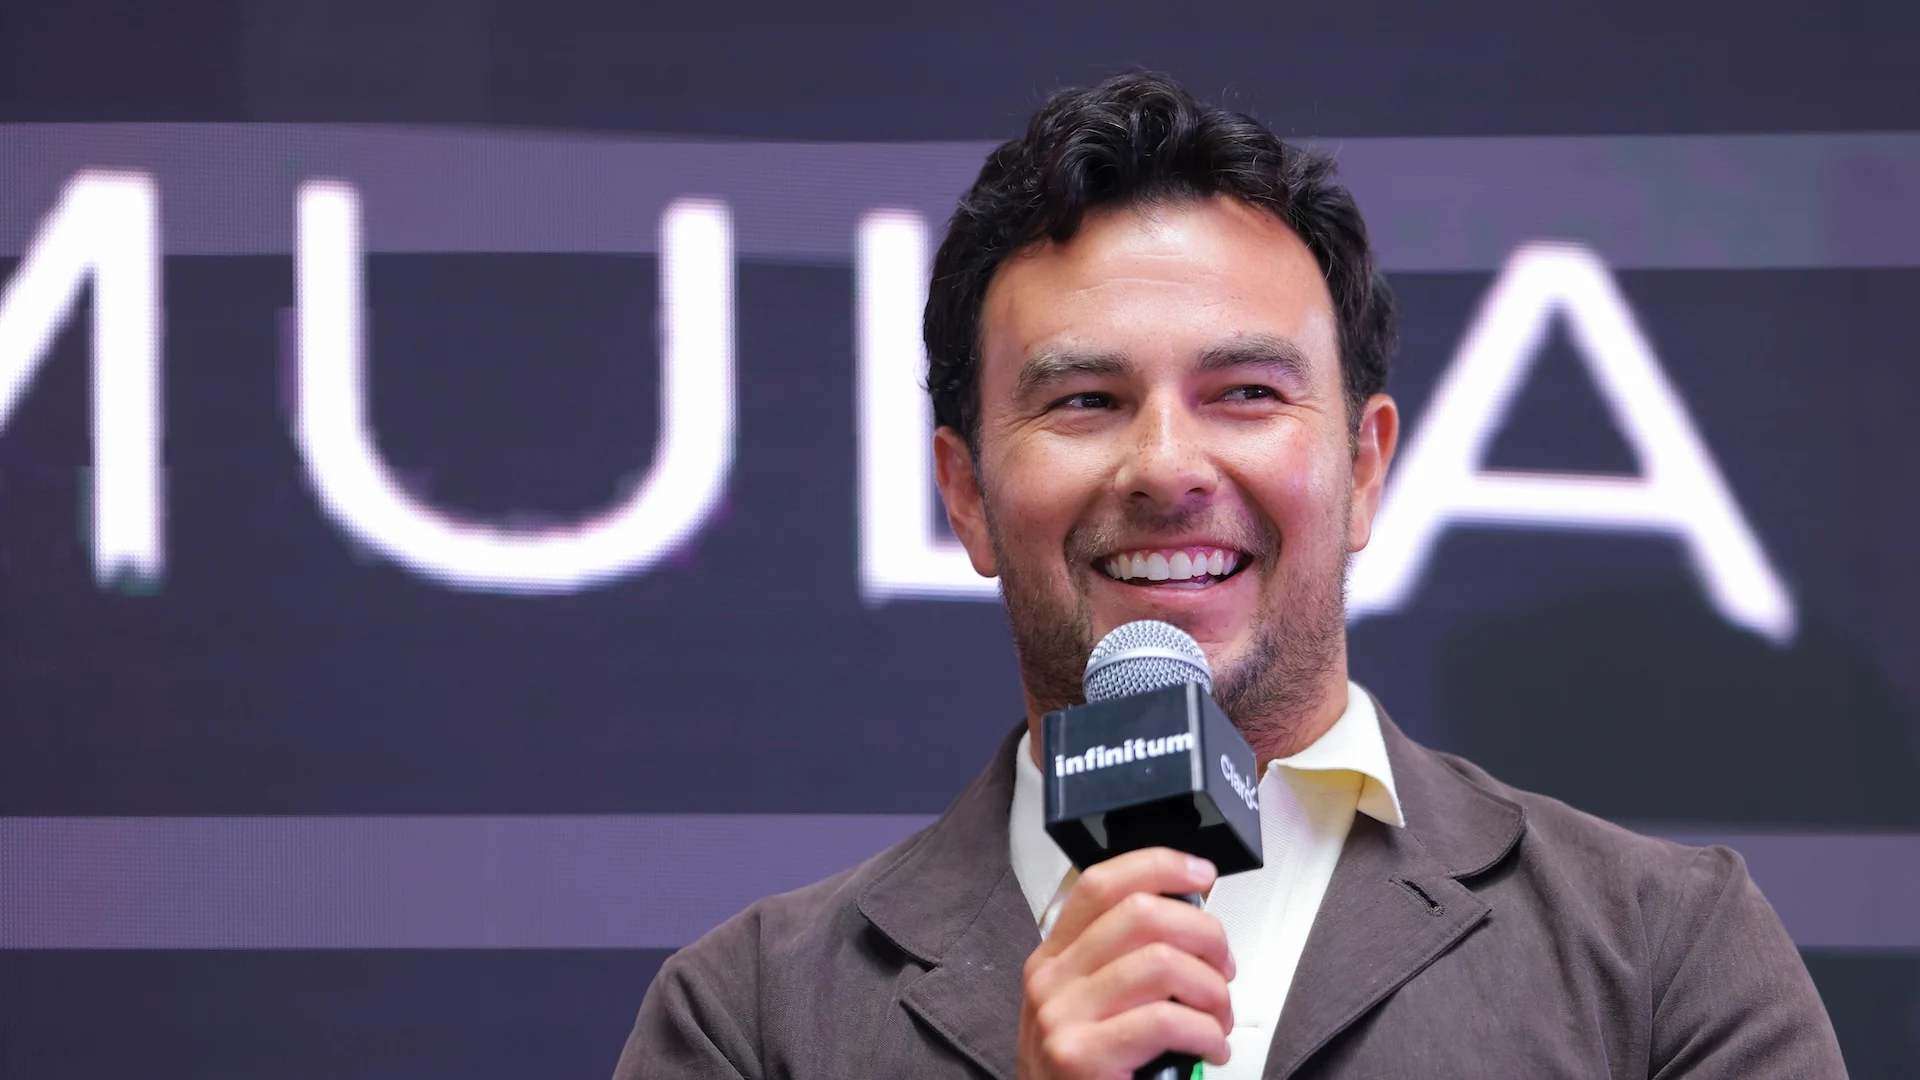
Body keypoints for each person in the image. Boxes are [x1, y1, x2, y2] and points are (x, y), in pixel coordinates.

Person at [612, 71, 1846, 1079]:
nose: (1166, 467)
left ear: (1363, 469)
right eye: (1085, 400)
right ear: (967, 494)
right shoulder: (750, 1019)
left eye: (1246, 393)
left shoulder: (1663, 956)